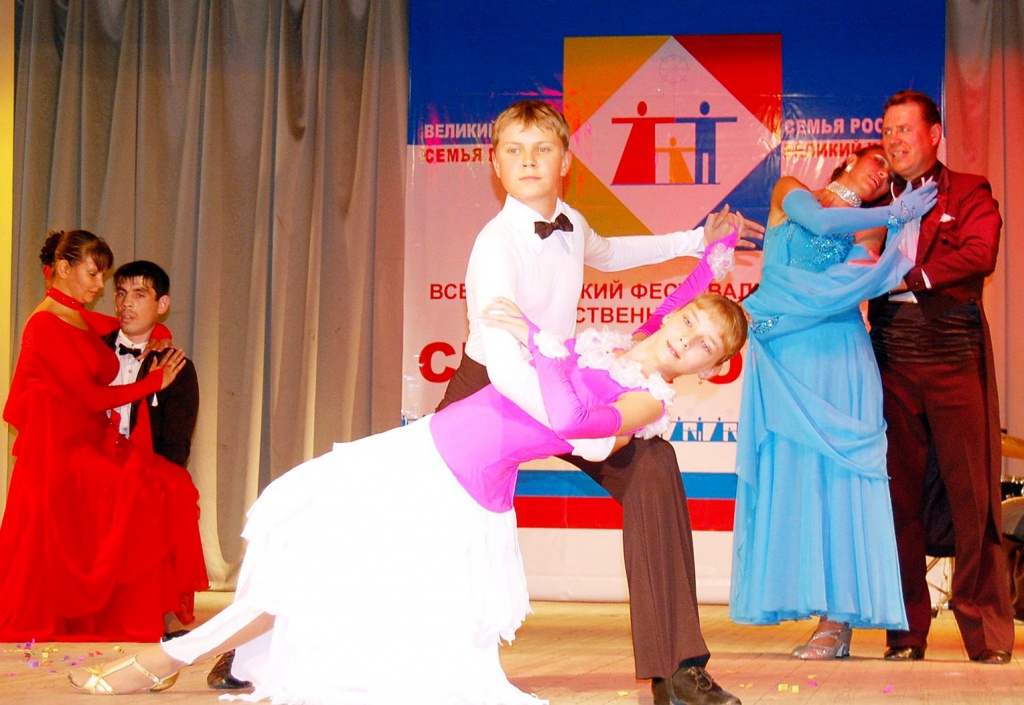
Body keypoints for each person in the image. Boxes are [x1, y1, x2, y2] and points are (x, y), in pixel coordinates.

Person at [68, 280, 749, 701]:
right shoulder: (618, 344)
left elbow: (572, 421)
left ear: (707, 372)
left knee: (320, 562)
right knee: (302, 533)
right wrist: (709, 256)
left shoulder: (648, 401)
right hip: (422, 449)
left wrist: (537, 341)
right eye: (691, 320)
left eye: (703, 348)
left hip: (457, 486)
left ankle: (165, 658)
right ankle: (218, 653)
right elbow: (671, 307)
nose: (687, 339)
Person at [435, 99, 762, 705]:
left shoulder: (570, 221)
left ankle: (677, 670)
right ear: (495, 164)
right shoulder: (495, 247)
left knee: (654, 467)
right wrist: (578, 424)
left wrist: (698, 240)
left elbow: (612, 254)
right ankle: (312, 644)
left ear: (565, 161)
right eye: (514, 151)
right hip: (495, 390)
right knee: (424, 514)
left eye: (542, 149)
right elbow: (507, 365)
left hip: (569, 383)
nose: (529, 161)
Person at [729, 145, 937, 659]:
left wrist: (777, 302)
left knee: (840, 485)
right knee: (793, 477)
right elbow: (820, 222)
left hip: (839, 356)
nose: (882, 172)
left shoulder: (870, 232)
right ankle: (806, 601)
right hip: (784, 356)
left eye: (888, 172)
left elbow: (849, 287)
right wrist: (893, 212)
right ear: (846, 164)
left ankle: (837, 621)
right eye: (875, 161)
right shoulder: (791, 190)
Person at [0, 230, 205, 643]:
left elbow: (128, 327)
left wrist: (161, 339)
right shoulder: (45, 323)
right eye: (93, 274)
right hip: (62, 449)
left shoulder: (75, 314)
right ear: (63, 269)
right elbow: (90, 398)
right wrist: (152, 383)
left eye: (102, 277)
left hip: (89, 441)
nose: (100, 287)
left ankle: (153, 611)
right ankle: (134, 613)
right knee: (137, 490)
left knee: (164, 482)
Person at [868, 90, 1015, 664]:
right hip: (891, 357)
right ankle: (906, 633)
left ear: (934, 136)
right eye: (887, 131)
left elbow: (980, 253)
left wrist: (911, 277)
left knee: (973, 498)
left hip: (953, 353)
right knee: (898, 499)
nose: (894, 140)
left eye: (905, 129)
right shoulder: (873, 197)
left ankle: (986, 634)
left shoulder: (970, 191)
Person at [100, 260, 209, 643]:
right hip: (95, 457)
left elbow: (177, 444)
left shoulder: (175, 365)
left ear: (162, 304)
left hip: (146, 463)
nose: (126, 303)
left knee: (166, 489)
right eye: (121, 293)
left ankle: (164, 612)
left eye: (139, 294)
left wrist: (148, 470)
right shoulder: (94, 349)